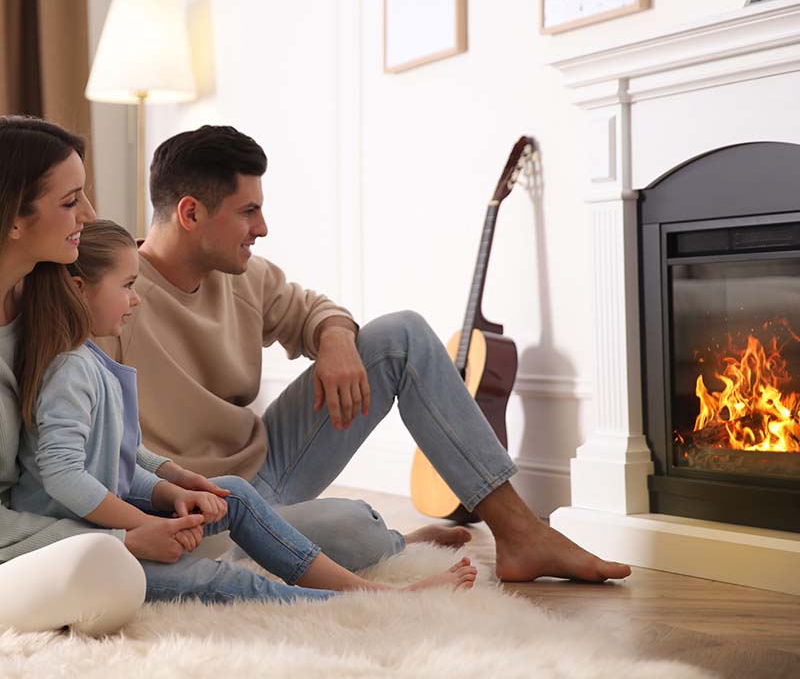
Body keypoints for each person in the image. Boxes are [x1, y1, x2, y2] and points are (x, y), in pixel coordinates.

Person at [109, 124, 631, 583]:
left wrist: (334, 338)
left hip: (265, 465)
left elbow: (315, 310)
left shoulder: (248, 277)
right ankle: (394, 540)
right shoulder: (114, 294)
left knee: (400, 334)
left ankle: (520, 532)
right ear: (191, 212)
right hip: (201, 506)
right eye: (249, 211)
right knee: (354, 527)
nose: (262, 228)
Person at [13, 219, 478, 602]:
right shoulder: (69, 369)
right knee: (219, 582)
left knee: (232, 493)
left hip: (104, 524)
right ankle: (356, 600)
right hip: (80, 546)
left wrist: (171, 490)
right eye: (128, 286)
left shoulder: (89, 358)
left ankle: (363, 588)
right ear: (78, 289)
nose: (136, 299)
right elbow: (64, 476)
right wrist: (145, 525)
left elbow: (115, 461)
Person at [0, 115, 197, 635]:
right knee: (111, 573)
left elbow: (91, 430)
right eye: (70, 202)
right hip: (26, 543)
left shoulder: (47, 298)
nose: (89, 214)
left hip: (61, 523)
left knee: (331, 526)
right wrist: (122, 540)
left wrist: (167, 481)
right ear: (13, 220)